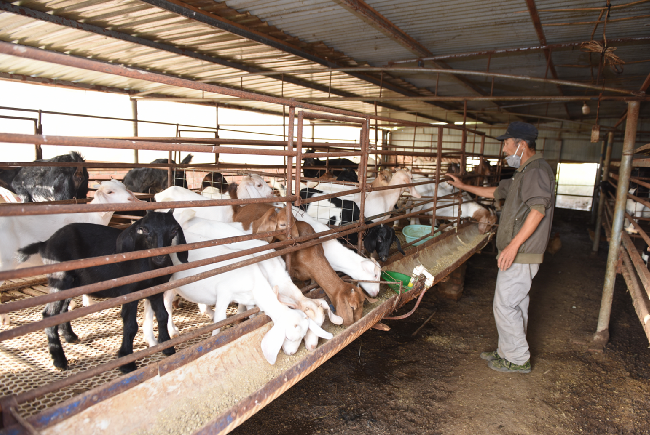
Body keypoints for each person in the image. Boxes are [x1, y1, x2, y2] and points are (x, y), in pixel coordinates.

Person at [447, 121, 555, 374]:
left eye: (506, 143)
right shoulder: (524, 171)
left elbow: (538, 211)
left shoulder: (536, 170)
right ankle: (508, 351)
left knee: (505, 305)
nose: (504, 149)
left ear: (521, 144)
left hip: (522, 251)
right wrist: (463, 187)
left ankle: (517, 359)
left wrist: (513, 247)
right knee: (515, 304)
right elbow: (496, 190)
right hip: (519, 250)